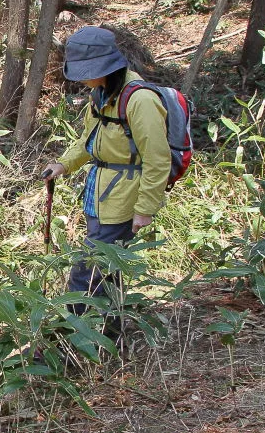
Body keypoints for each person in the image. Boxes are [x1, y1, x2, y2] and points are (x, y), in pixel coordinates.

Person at [41, 26, 171, 332]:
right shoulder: (99, 94)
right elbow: (90, 139)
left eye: (88, 71)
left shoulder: (140, 101)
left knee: (89, 269)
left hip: (124, 196)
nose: (83, 77)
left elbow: (157, 158)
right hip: (99, 191)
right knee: (106, 269)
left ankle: (73, 337)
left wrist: (145, 208)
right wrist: (63, 164)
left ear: (106, 67)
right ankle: (108, 333)